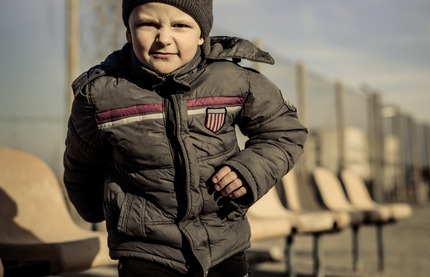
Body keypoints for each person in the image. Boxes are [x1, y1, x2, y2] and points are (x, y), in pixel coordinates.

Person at [63, 0, 308, 276]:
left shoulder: (233, 79)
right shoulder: (100, 96)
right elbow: (81, 165)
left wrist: (249, 170)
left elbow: (284, 131)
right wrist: (99, 210)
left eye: (180, 25)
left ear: (202, 34)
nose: (164, 38)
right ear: (128, 33)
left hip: (223, 241)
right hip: (145, 249)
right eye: (148, 24)